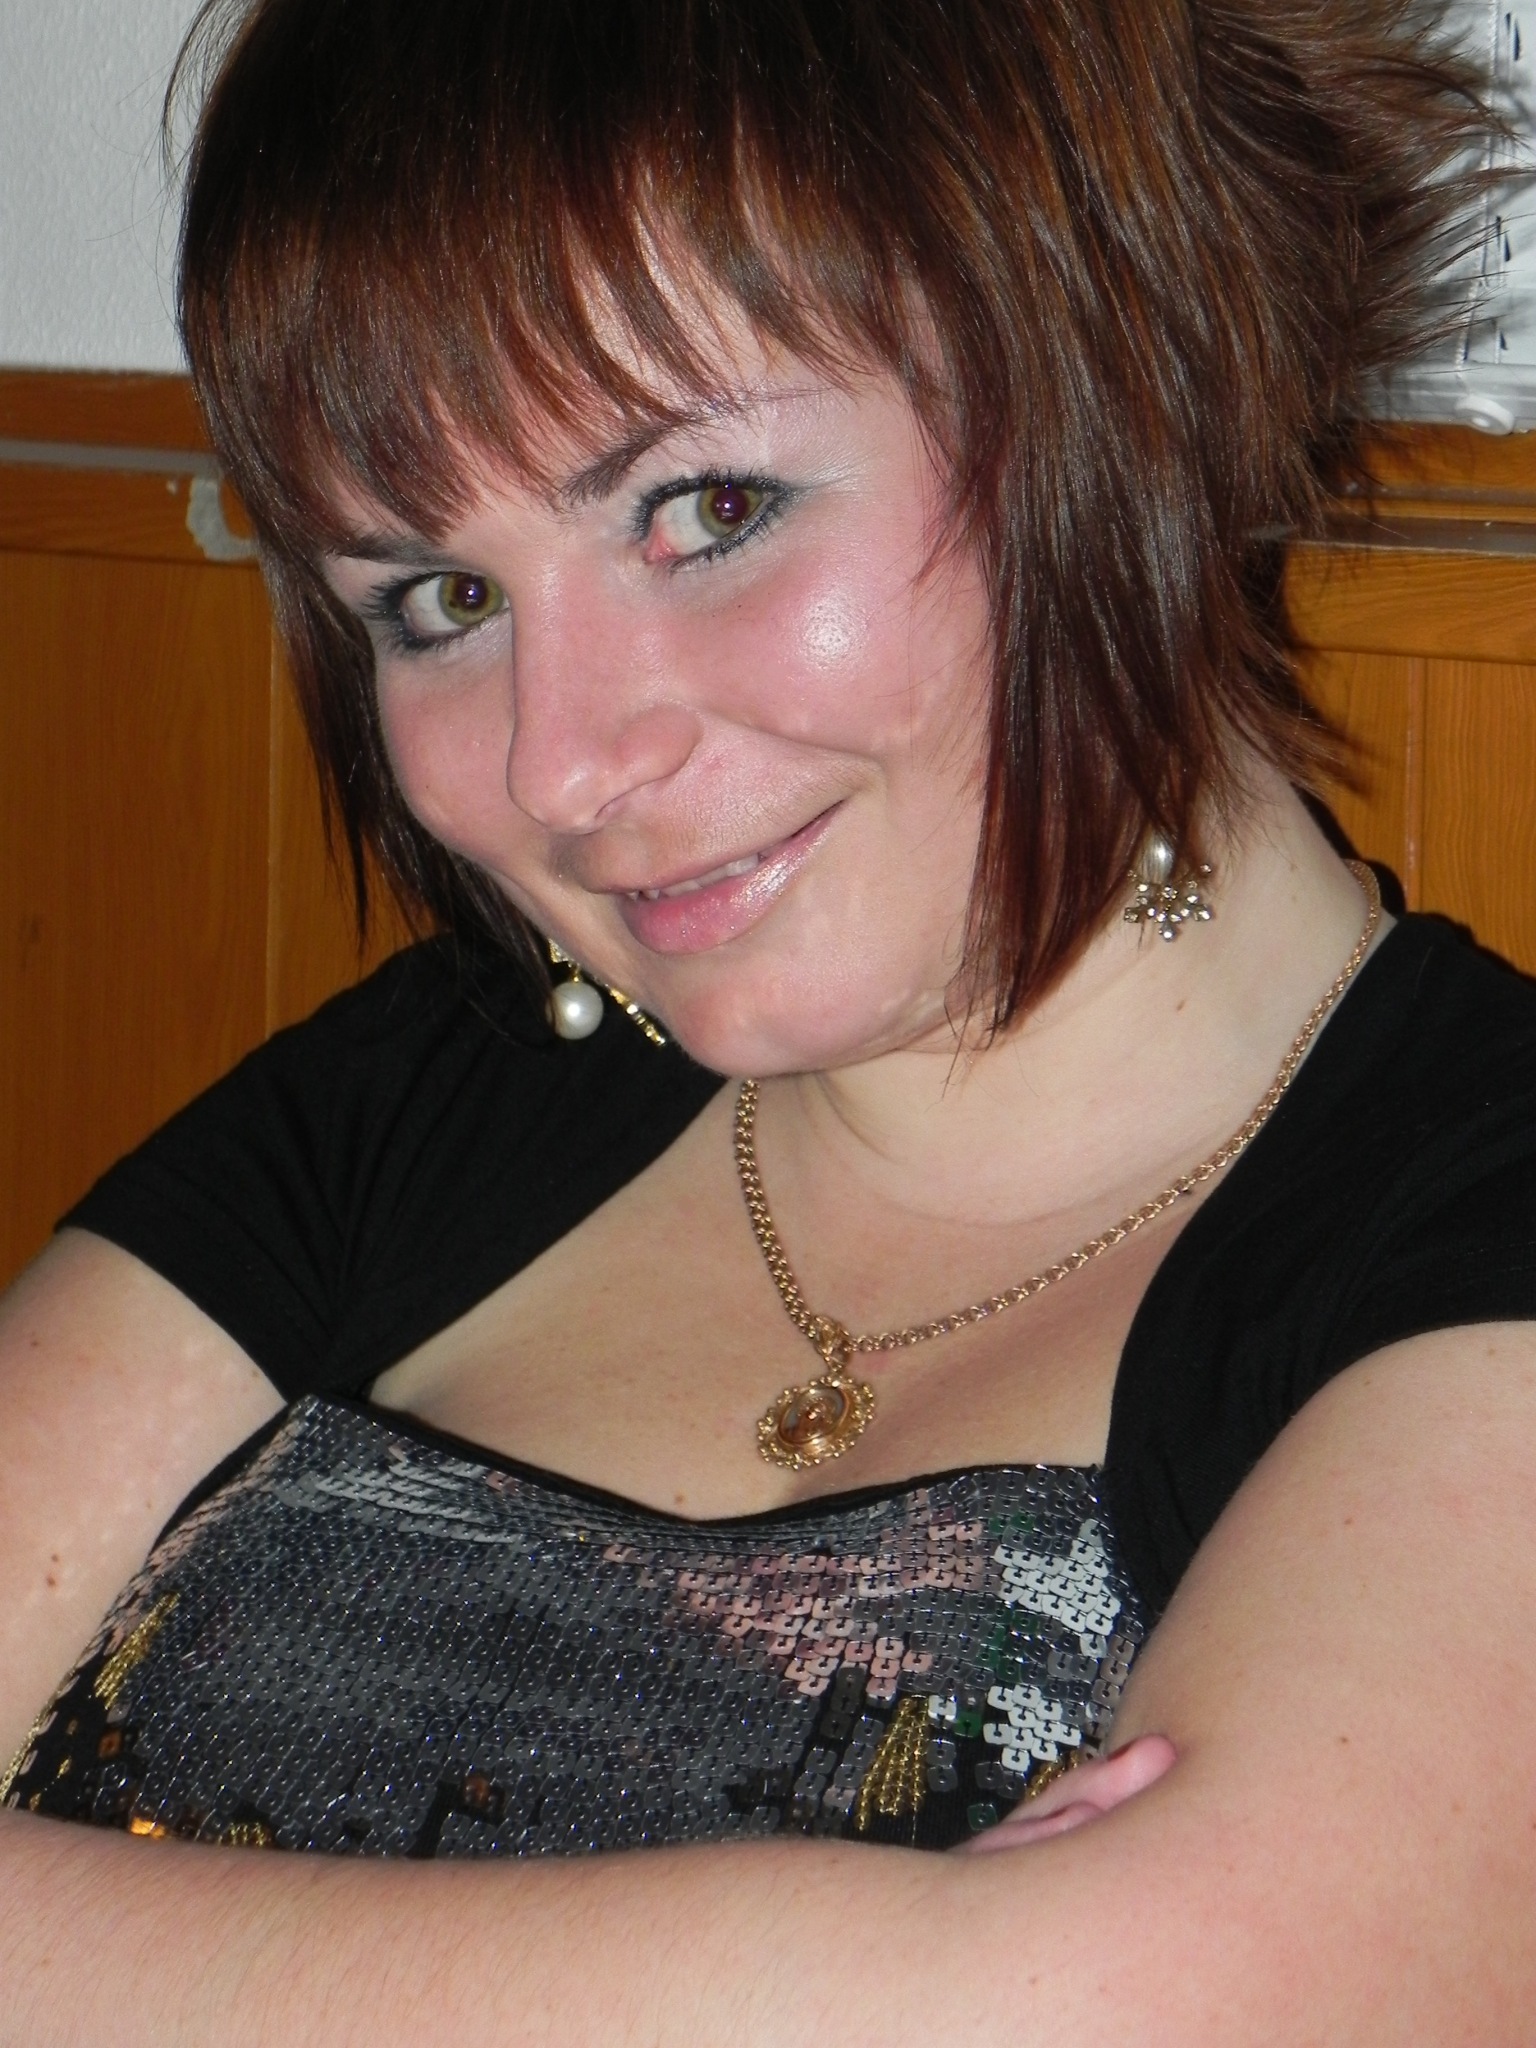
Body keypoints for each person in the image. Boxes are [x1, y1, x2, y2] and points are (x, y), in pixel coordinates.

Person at [4, 0, 1536, 2037]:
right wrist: (863, 1962)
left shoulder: (1480, 1220)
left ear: (1137, 377)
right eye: (441, 599)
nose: (558, 766)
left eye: (707, 508)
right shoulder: (432, 1086)